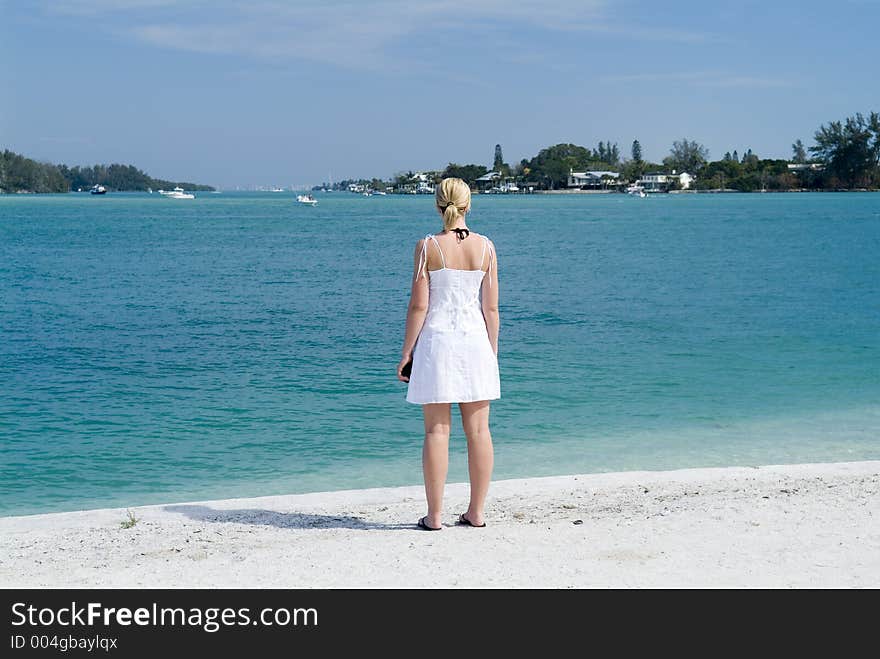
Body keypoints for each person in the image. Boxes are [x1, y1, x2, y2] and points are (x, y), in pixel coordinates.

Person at [397, 177, 500, 531]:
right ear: (468, 205)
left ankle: (435, 515)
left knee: (436, 432)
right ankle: (476, 512)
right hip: (476, 343)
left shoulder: (428, 246)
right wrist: (492, 354)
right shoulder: (486, 247)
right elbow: (492, 310)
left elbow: (418, 307)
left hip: (437, 343)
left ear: (438, 205)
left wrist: (406, 352)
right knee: (479, 432)